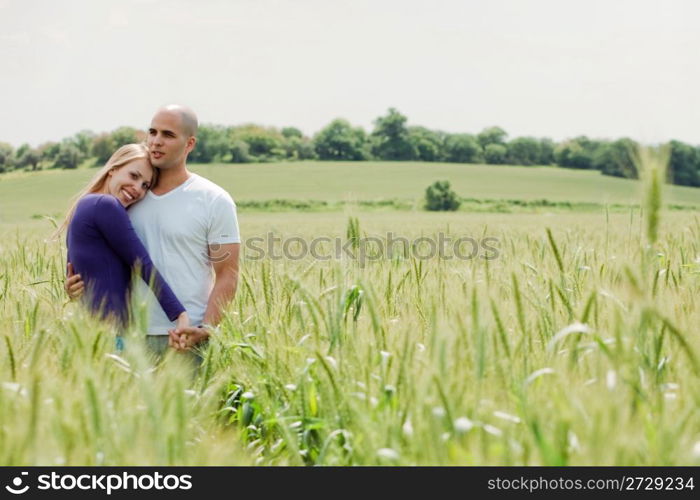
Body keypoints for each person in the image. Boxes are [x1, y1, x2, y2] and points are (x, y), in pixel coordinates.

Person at [66, 105, 240, 358]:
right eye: (152, 132)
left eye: (168, 135)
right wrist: (77, 286)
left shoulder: (214, 200)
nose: (157, 141)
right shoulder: (126, 199)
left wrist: (207, 329)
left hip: (184, 336)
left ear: (189, 144)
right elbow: (95, 252)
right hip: (126, 337)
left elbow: (228, 273)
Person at [60, 143, 189, 337]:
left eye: (145, 185)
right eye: (134, 176)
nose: (137, 189)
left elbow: (73, 271)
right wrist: (179, 314)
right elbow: (142, 263)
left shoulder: (85, 205)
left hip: (93, 330)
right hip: (114, 334)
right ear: (113, 169)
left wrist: (71, 289)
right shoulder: (106, 205)